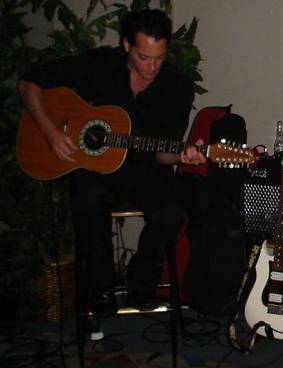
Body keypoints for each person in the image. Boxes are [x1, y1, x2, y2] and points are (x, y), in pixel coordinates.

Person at [19, 9, 206, 317]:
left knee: (173, 209)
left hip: (146, 170)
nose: (152, 67)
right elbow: (29, 84)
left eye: (159, 58)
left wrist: (184, 153)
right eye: (144, 57)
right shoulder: (100, 65)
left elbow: (162, 153)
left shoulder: (177, 86)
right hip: (95, 169)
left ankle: (141, 282)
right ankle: (101, 286)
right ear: (126, 46)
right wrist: (50, 131)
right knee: (88, 199)